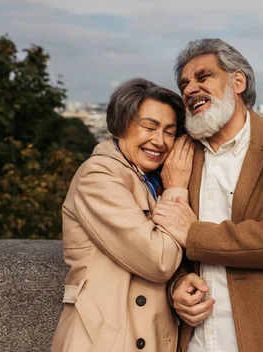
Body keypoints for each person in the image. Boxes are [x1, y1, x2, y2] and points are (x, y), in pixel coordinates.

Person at [152, 39, 263, 352]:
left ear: (237, 81)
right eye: (184, 83)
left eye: (203, 77)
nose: (190, 89)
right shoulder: (180, 156)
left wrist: (195, 234)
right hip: (199, 341)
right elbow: (162, 240)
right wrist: (177, 284)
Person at [51, 78, 194, 352]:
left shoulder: (150, 179)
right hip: (105, 341)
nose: (159, 141)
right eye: (149, 127)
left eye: (170, 132)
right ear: (120, 125)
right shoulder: (98, 175)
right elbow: (159, 260)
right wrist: (177, 189)